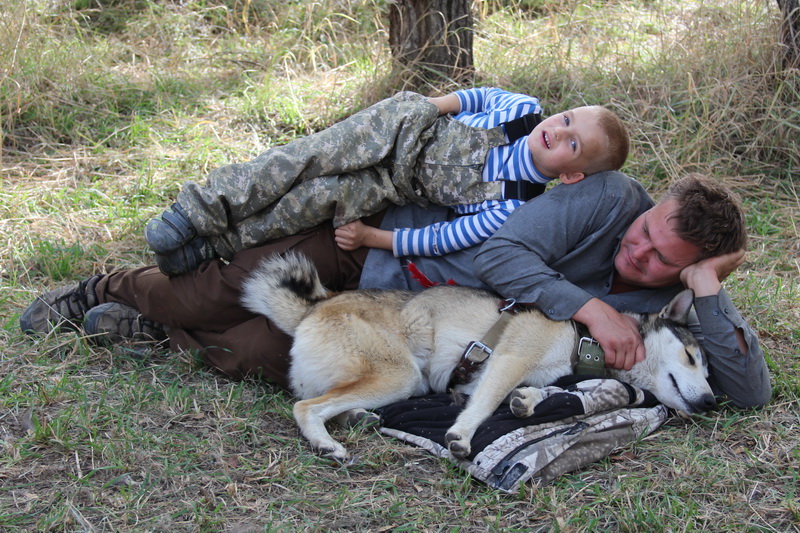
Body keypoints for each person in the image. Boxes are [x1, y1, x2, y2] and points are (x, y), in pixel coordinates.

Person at [19, 172, 771, 409]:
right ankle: (107, 288)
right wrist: (591, 305)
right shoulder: (608, 198)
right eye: (644, 232)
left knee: (255, 352)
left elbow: (750, 392)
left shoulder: (667, 305)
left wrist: (710, 288)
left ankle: (157, 332)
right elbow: (502, 254)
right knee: (210, 294)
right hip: (373, 246)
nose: (636, 249)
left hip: (402, 322)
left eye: (659, 259)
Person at [143, 87, 629, 275]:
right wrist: (428, 107)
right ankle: (201, 208)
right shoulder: (522, 110)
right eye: (566, 118)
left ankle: (214, 246)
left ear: (571, 175)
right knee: (308, 157)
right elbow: (476, 98)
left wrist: (373, 238)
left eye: (571, 143)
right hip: (401, 128)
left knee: (315, 200)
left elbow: (443, 237)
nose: (557, 130)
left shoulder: (512, 203)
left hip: (393, 185)